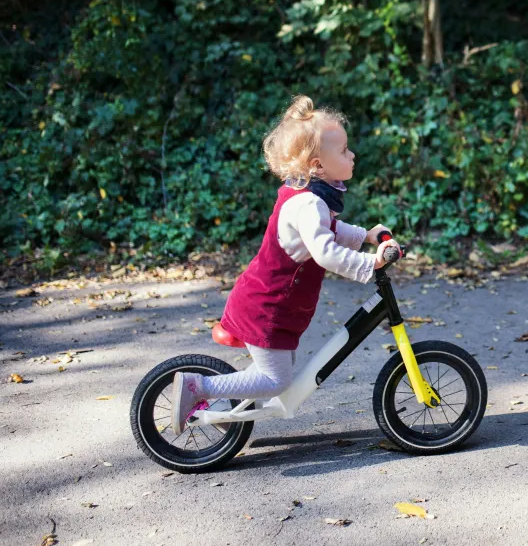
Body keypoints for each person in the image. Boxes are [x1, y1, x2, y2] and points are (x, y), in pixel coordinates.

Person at [171, 95, 401, 433]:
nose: (352, 155)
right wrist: (370, 264)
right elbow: (325, 250)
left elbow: (331, 230)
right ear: (317, 165)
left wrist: (367, 235)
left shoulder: (306, 197)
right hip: (267, 307)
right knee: (275, 380)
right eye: (344, 151)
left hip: (272, 304)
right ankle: (200, 389)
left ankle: (222, 408)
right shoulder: (309, 204)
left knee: (276, 372)